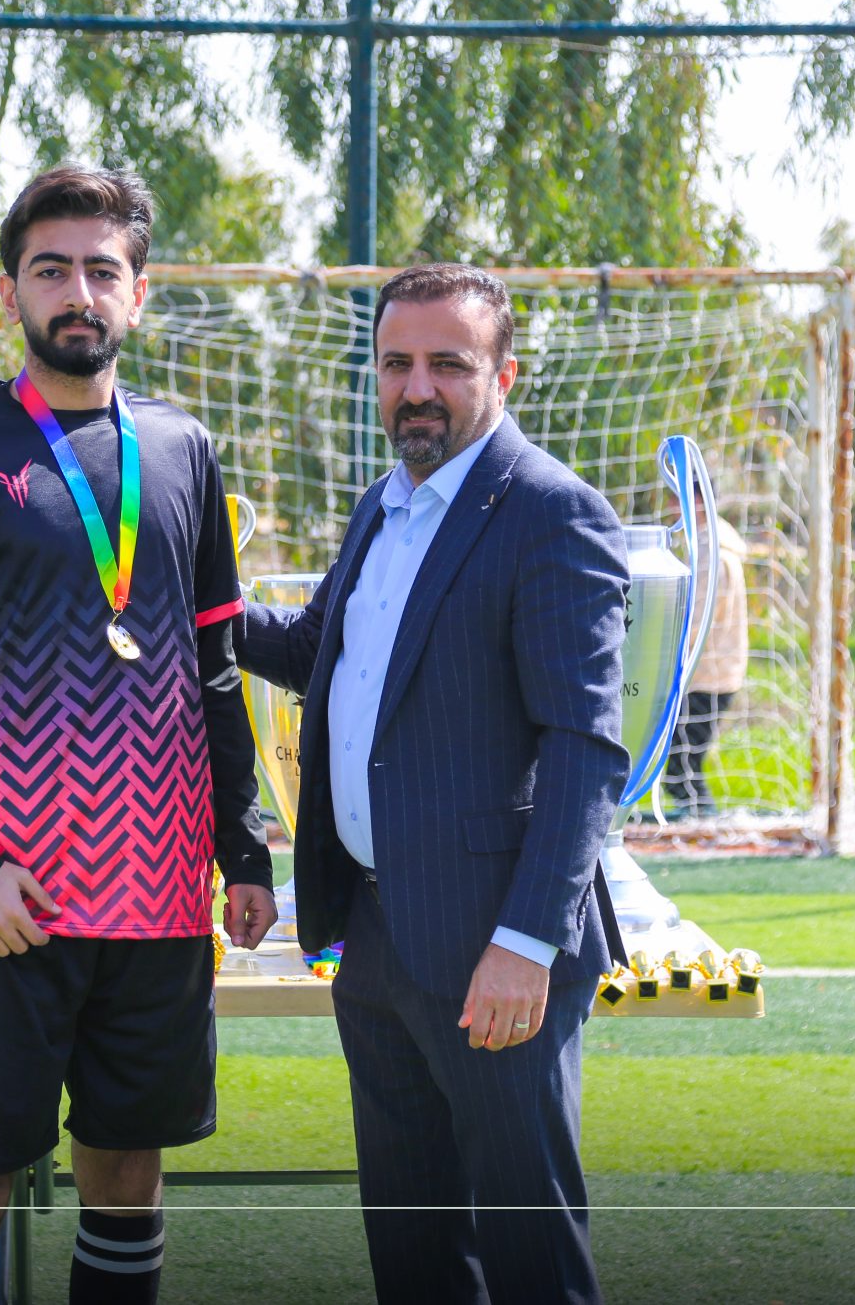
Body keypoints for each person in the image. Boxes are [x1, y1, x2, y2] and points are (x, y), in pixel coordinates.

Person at [0, 163, 276, 1305]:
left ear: (138, 293)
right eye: (51, 270)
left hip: (160, 900)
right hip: (4, 905)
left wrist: (244, 849)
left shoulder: (182, 449)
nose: (78, 292)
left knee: (128, 1180)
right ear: (10, 291)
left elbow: (215, 667)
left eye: (101, 271)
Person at [236, 263, 630, 1305]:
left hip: (493, 950)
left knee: (532, 1262)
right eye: (396, 364)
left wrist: (525, 943)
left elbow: (585, 748)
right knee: (414, 1259)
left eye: (447, 364)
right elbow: (317, 648)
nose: (417, 389)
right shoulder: (383, 504)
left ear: (505, 374)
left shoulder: (552, 512)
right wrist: (195, 601)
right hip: (372, 943)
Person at [660, 515, 747, 816]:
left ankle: (707, 823)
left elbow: (696, 619)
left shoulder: (714, 554)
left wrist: (659, 643)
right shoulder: (709, 545)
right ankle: (702, 821)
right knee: (681, 767)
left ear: (697, 501)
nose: (672, 506)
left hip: (708, 675)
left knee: (680, 768)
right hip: (708, 672)